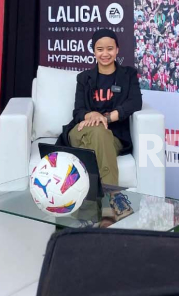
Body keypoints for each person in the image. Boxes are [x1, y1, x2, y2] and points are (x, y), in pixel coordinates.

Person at [59, 29, 142, 219]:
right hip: (81, 131)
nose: (105, 54)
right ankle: (113, 197)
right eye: (100, 49)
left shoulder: (128, 75)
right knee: (96, 130)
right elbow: (78, 111)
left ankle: (87, 207)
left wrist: (108, 117)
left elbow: (135, 102)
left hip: (114, 136)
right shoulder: (84, 78)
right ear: (94, 51)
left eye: (110, 49)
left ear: (117, 50)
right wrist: (93, 114)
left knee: (100, 134)